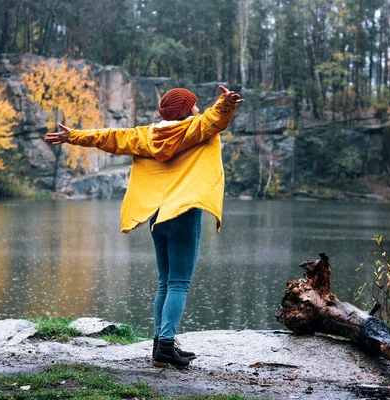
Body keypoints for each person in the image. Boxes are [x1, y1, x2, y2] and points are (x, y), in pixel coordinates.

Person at [45, 85, 243, 368]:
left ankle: (160, 345)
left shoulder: (146, 135)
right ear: (187, 110)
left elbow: (110, 137)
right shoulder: (195, 129)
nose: (198, 109)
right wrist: (226, 102)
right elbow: (215, 119)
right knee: (178, 282)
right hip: (183, 213)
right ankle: (165, 345)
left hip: (156, 216)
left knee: (165, 281)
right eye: (195, 105)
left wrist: (73, 136)